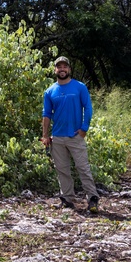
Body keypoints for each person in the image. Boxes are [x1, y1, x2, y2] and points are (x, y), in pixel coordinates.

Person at [40, 55, 99, 212]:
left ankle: (92, 197)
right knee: (62, 169)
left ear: (69, 69)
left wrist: (84, 128)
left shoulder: (79, 87)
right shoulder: (50, 91)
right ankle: (67, 198)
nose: (62, 69)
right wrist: (45, 135)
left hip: (75, 136)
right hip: (57, 137)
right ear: (55, 70)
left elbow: (88, 107)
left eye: (64, 66)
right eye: (59, 67)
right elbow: (46, 114)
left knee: (83, 167)